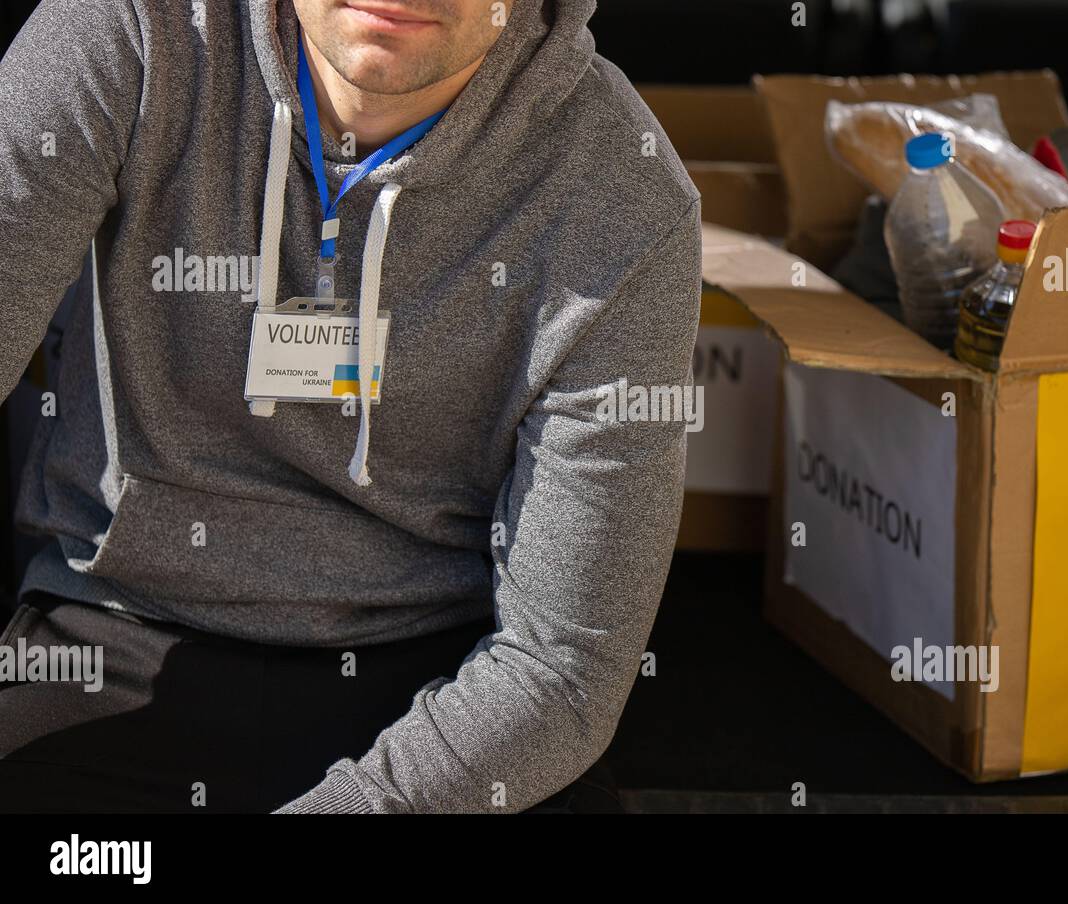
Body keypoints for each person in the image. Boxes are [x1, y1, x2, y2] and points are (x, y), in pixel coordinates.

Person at [0, 0, 701, 813]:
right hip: (113, 633)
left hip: (446, 686)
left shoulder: (623, 191)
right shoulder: (132, 29)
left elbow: (559, 671)